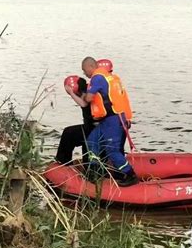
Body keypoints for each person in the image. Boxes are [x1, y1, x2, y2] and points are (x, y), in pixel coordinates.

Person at [81, 57, 138, 186]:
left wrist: (83, 95)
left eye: (84, 71)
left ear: (90, 67)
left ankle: (130, 174)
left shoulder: (98, 77)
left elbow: (89, 98)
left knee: (112, 150)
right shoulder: (110, 77)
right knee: (92, 141)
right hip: (109, 120)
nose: (85, 74)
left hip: (113, 120)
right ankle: (94, 171)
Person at [56, 76, 96, 167]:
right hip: (91, 127)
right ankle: (65, 161)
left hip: (93, 128)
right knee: (71, 132)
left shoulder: (87, 94)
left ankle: (63, 161)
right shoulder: (90, 89)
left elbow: (84, 103)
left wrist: (71, 93)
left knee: (68, 133)